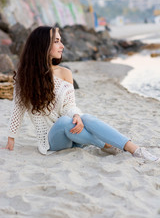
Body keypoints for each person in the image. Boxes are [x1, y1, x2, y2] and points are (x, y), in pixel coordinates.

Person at [5, 26, 159, 162]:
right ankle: (105, 144)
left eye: (61, 41)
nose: (62, 46)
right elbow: (17, 110)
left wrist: (76, 116)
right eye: (57, 41)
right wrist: (11, 138)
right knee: (65, 121)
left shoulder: (65, 73)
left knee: (84, 117)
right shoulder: (24, 77)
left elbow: (70, 106)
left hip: (76, 136)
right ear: (43, 45)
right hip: (52, 141)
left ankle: (135, 149)